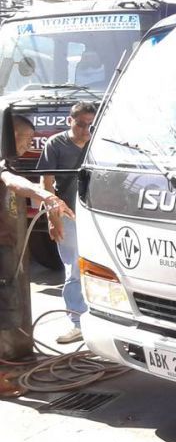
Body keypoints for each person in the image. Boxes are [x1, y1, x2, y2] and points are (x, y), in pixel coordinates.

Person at [37, 102, 96, 343]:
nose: (85, 130)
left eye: (90, 125)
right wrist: (53, 219)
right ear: (70, 121)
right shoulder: (56, 144)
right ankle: (77, 322)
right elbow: (46, 182)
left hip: (95, 213)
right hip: (68, 214)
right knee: (74, 269)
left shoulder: (97, 143)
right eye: (81, 124)